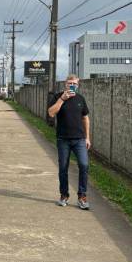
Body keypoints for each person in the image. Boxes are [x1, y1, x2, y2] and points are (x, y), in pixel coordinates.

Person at [47, 74, 91, 209]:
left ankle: (82, 196)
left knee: (84, 165)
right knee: (63, 168)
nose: (72, 85)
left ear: (78, 85)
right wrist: (62, 99)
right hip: (63, 139)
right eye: (69, 83)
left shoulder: (80, 99)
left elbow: (85, 118)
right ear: (65, 84)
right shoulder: (57, 96)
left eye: (74, 84)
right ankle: (64, 195)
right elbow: (51, 113)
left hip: (79, 139)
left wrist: (87, 137)